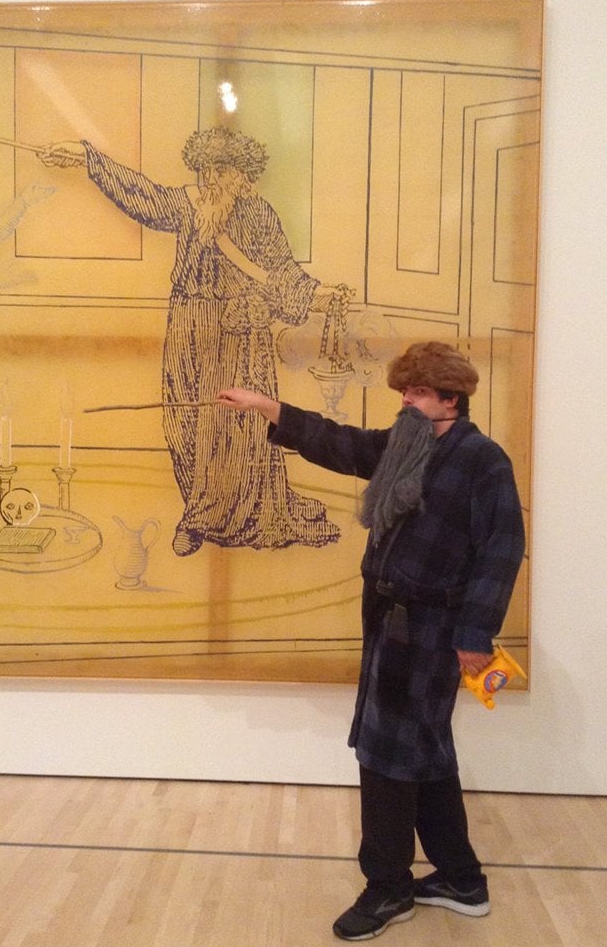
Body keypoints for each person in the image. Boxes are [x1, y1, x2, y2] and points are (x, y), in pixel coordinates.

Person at [217, 341, 526, 941]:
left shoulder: (483, 460)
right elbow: (342, 443)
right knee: (423, 749)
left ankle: (388, 888)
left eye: (417, 392)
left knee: (387, 756)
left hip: (432, 628)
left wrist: (474, 634)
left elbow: (501, 550)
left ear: (451, 399)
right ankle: (461, 879)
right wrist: (267, 406)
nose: (406, 401)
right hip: (389, 617)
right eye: (404, 391)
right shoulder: (404, 445)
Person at [38, 127, 351, 556]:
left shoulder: (260, 216)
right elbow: (142, 195)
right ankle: (201, 507)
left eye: (220, 170)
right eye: (205, 169)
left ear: (243, 175)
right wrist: (87, 157)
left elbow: (283, 275)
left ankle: (201, 520)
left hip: (237, 332)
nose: (210, 179)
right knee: (182, 423)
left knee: (229, 428)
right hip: (187, 322)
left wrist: (321, 295)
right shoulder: (188, 205)